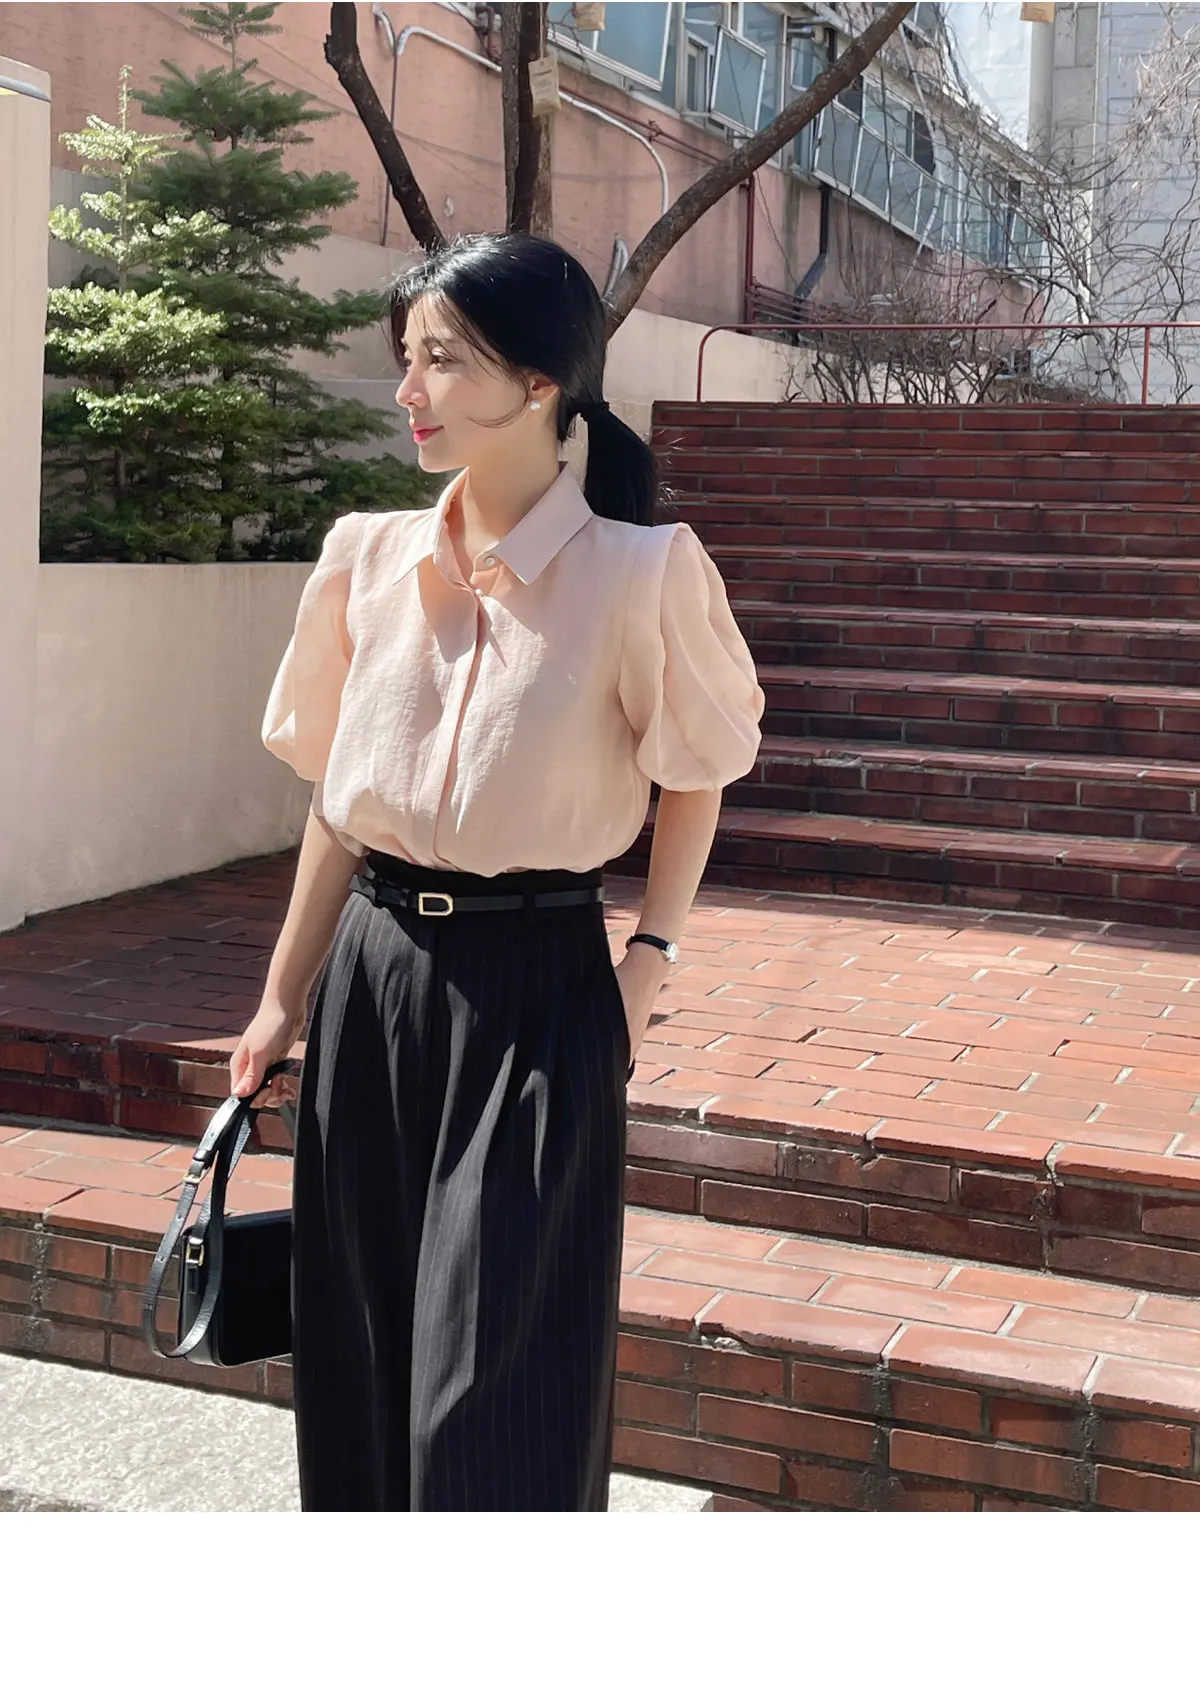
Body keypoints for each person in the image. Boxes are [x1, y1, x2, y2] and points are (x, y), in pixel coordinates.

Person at [229, 231, 765, 1511]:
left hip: (539, 987)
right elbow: (340, 804)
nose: (408, 389)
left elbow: (697, 770)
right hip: (373, 978)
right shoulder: (365, 560)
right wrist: (282, 995)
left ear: (540, 381)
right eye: (407, 356)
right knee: (360, 1352)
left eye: (443, 360)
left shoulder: (640, 573)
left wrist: (647, 966)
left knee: (492, 1392)